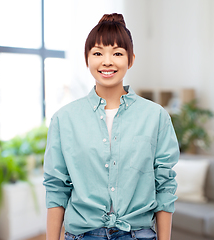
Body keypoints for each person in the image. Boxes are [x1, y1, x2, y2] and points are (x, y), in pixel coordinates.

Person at [43, 13, 179, 240]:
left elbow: (164, 184)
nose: (107, 61)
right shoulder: (64, 119)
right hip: (83, 235)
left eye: (117, 53)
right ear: (87, 59)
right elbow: (57, 188)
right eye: (97, 53)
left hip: (138, 234)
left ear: (131, 59)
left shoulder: (156, 116)